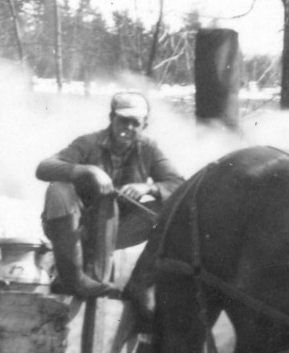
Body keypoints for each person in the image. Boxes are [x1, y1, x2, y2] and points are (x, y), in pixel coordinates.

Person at [36, 91, 183, 297]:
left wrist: (148, 188)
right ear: (112, 118)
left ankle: (141, 285)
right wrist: (89, 171)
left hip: (118, 228)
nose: (128, 128)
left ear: (144, 125)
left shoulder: (149, 149)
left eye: (135, 123)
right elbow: (44, 167)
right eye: (123, 121)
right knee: (59, 189)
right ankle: (74, 280)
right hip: (74, 226)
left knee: (167, 210)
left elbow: (179, 184)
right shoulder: (88, 143)